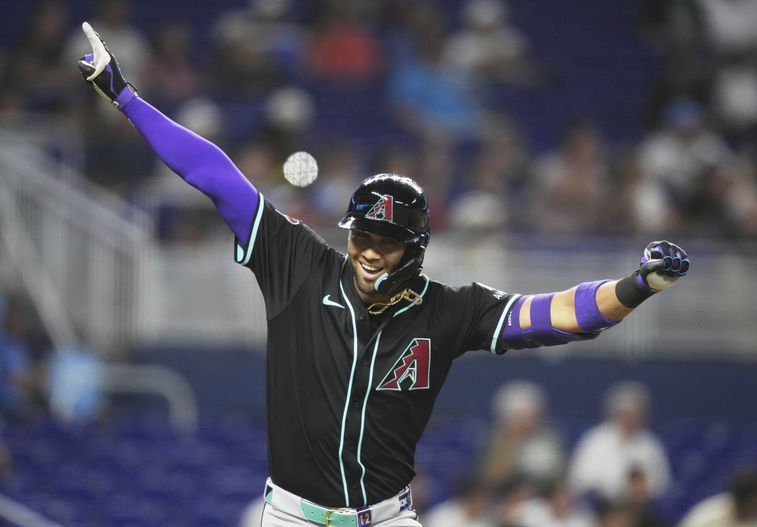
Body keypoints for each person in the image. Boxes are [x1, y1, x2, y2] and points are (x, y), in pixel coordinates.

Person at [75, 23, 691, 527]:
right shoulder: (296, 263)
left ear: (415, 249)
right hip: (292, 518)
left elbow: (560, 316)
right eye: (362, 235)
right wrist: (126, 97)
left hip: (387, 518)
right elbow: (215, 175)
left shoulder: (450, 311)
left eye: (388, 243)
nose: (370, 251)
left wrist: (638, 286)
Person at [568, 382, 672, 503]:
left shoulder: (651, 444)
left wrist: (643, 489)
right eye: (625, 413)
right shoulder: (595, 440)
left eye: (634, 413)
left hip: (639, 506)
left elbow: (662, 484)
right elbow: (578, 479)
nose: (629, 418)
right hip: (601, 506)